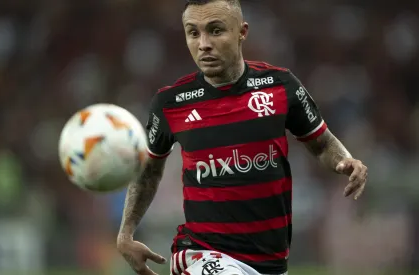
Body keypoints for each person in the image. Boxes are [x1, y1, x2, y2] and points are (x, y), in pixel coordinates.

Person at [116, 0, 368, 274]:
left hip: (271, 260)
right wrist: (126, 233)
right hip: (202, 253)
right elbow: (148, 171)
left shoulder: (281, 86)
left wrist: (345, 160)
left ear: (242, 32)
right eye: (193, 32)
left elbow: (322, 143)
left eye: (215, 30)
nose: (203, 44)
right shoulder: (170, 103)